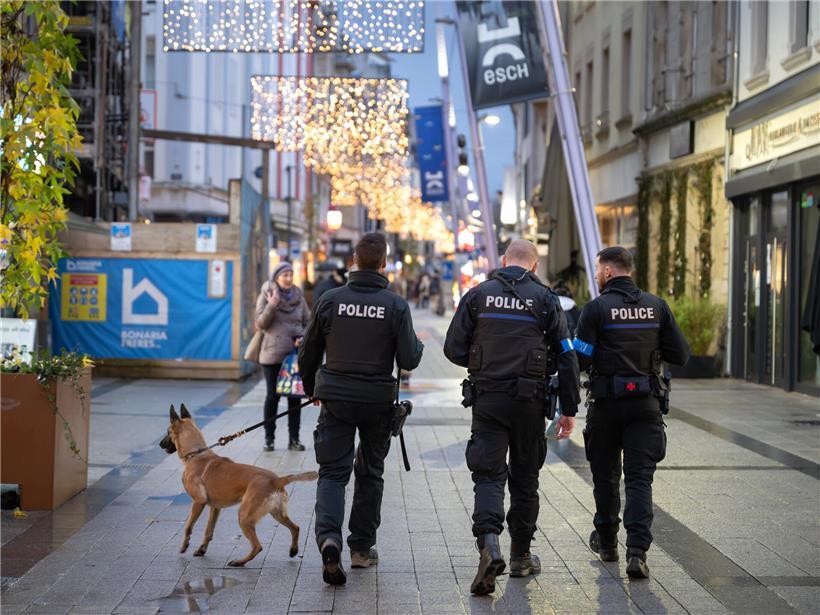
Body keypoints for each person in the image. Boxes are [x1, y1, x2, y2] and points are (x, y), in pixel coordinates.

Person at [443, 239, 581, 595]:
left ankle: (489, 544)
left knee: (488, 476)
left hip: (488, 399)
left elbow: (453, 348)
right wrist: (569, 408)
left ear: (504, 261)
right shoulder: (547, 299)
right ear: (534, 266)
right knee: (525, 477)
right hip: (529, 402)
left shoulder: (478, 295)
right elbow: (567, 354)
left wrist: (482, 362)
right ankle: (520, 557)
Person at [299, 232, 424, 586]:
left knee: (332, 473)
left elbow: (308, 351)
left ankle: (329, 540)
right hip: (377, 403)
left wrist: (312, 389)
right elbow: (408, 359)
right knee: (370, 473)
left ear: (354, 260)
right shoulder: (395, 305)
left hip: (336, 400)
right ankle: (361, 549)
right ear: (384, 264)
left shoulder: (330, 300)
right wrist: (416, 344)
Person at [573, 246, 689, 579]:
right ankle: (637, 553)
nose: (597, 274)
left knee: (605, 477)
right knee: (639, 480)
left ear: (609, 271)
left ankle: (608, 543)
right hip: (645, 405)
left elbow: (580, 357)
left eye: (598, 268)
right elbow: (681, 354)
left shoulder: (595, 309)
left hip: (606, 407)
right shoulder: (657, 307)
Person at [255, 261, 311, 452]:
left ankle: (294, 439)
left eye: (291, 274)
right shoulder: (267, 293)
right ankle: (269, 438)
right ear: (276, 277)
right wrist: (272, 304)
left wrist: (302, 336)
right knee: (273, 397)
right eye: (284, 275)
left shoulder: (298, 296)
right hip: (272, 354)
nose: (288, 278)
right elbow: (260, 323)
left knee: (294, 397)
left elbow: (308, 321)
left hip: (294, 355)